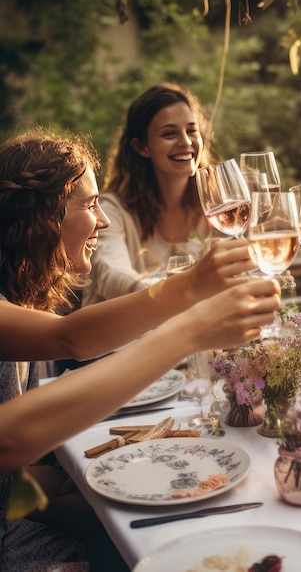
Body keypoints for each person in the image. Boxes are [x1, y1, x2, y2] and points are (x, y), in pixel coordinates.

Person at [0, 127, 280, 571]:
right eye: (90, 206)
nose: (104, 220)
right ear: (39, 215)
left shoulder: (15, 299)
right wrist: (189, 322)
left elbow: (75, 335)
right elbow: (70, 340)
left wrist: (187, 290)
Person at [82, 83, 212, 306]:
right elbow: (112, 274)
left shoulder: (214, 205)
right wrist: (179, 295)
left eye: (192, 130)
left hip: (186, 332)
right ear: (142, 147)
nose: (186, 142)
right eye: (169, 134)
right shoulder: (112, 210)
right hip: (117, 337)